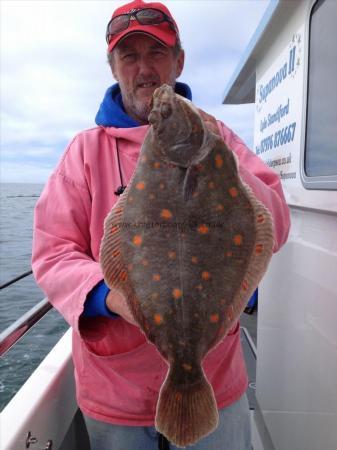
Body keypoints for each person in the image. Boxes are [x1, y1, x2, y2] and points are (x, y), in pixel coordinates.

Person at [32, 1, 290, 449]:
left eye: (156, 53)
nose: (144, 69)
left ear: (178, 61)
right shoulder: (83, 153)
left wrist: (218, 157)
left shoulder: (221, 139)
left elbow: (276, 225)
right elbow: (53, 252)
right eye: (129, 56)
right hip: (116, 393)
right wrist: (113, 299)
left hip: (217, 380)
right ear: (113, 67)